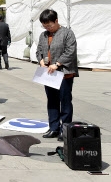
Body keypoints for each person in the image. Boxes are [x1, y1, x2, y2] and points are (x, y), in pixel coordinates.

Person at [36, 9, 78, 141]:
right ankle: (54, 127)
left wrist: (57, 64)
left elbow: (70, 51)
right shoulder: (43, 35)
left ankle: (65, 130)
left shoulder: (67, 33)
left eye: (49, 25)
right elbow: (39, 50)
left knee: (65, 102)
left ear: (56, 21)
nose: (47, 28)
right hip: (48, 74)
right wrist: (41, 60)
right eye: (45, 26)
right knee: (52, 101)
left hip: (63, 74)